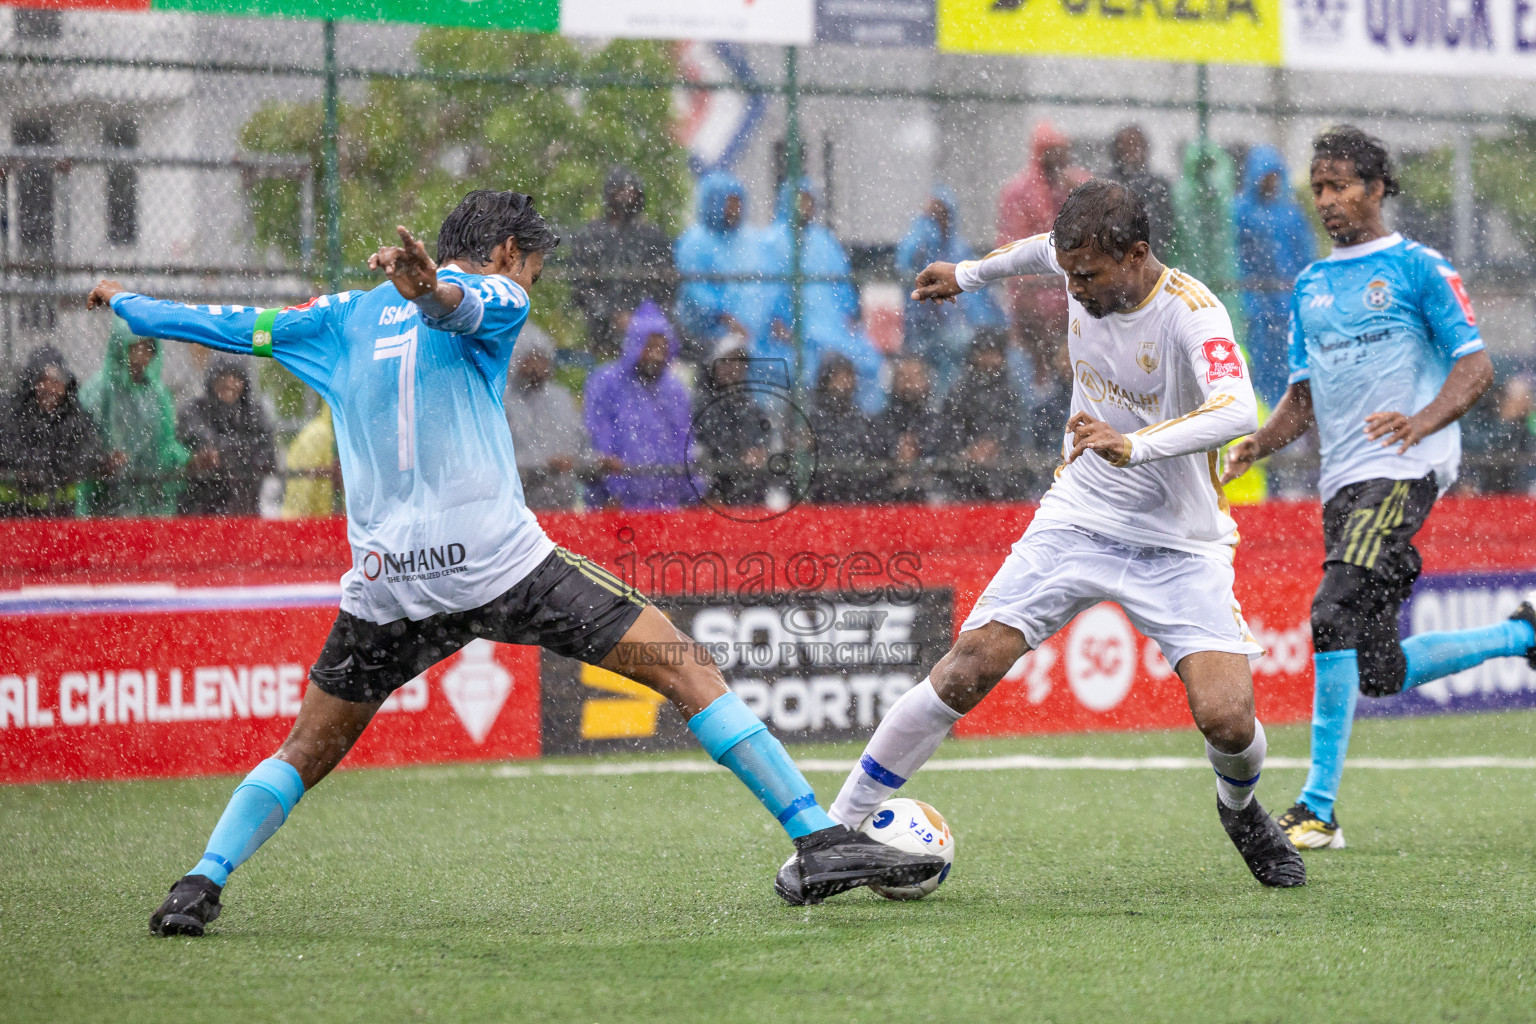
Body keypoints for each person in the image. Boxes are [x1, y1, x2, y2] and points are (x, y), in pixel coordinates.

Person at [88, 190, 939, 936]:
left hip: (390, 588)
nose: (529, 283)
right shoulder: (494, 292)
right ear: (507, 253)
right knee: (684, 666)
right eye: (531, 266)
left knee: (307, 747)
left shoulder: (339, 316)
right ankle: (818, 838)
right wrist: (434, 290)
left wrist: (131, 303)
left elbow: (227, 328)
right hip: (503, 568)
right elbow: (463, 305)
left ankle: (199, 883)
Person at [831, 180, 1306, 888]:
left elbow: (1237, 408)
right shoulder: (1073, 260)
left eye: (1088, 275)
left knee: (1231, 724)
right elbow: (1034, 253)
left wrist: (1135, 445)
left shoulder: (1192, 314)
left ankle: (1238, 808)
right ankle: (835, 831)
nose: (1073, 287)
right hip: (1080, 517)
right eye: (1070, 270)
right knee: (966, 667)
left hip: (1179, 545)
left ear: (1137, 254)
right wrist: (966, 274)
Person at [1222, 127, 1535, 851]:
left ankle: (1316, 808)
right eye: (1319, 188)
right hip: (1344, 482)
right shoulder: (1309, 286)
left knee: (1329, 609)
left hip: (1404, 471)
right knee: (1377, 667)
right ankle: (1522, 633)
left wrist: (1420, 423)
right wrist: (1257, 446)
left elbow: (1475, 368)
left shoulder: (1419, 269)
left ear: (1377, 187)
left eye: (1339, 186)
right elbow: (1302, 400)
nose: (1327, 201)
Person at [760, 178, 885, 414]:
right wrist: (779, 322)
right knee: (806, 369)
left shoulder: (824, 240)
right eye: (801, 201)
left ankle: (865, 427)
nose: (807, 207)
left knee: (868, 361)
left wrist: (849, 316)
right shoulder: (773, 241)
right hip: (797, 329)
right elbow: (768, 292)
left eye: (810, 202)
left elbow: (842, 284)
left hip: (833, 327)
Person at [995, 121, 1089, 387]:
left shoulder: (1077, 183)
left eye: (1062, 150)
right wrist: (1027, 289)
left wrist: (1076, 192)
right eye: (1051, 150)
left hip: (1072, 299)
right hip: (1034, 299)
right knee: (1035, 368)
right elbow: (1013, 244)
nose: (1059, 157)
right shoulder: (1018, 192)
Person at [584, 300, 697, 510]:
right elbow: (599, 436)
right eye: (650, 346)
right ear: (635, 345)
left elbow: (684, 440)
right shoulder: (606, 381)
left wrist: (693, 492)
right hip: (616, 506)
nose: (656, 354)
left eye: (662, 347)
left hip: (668, 506)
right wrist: (613, 488)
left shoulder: (674, 389)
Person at [895, 185, 1007, 394]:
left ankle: (955, 404)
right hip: (924, 331)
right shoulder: (921, 242)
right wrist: (925, 227)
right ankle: (948, 405)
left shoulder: (959, 247)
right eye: (935, 213)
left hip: (961, 327)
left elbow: (980, 293)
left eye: (943, 212)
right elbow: (905, 262)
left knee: (984, 349)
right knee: (955, 349)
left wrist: (997, 323)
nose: (940, 218)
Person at [77, 317, 189, 517]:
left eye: (147, 349)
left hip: (151, 503)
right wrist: (102, 461)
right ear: (120, 349)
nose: (141, 356)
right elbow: (83, 440)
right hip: (105, 502)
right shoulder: (99, 391)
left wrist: (186, 461)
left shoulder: (158, 394)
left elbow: (165, 444)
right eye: (134, 348)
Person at [1233, 145, 1317, 406]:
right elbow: (1236, 256)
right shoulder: (1241, 211)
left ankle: (1286, 423)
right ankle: (1262, 417)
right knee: (1256, 364)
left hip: (1287, 301)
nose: (1271, 182)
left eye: (1275, 176)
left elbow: (1304, 254)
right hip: (1256, 303)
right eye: (1265, 176)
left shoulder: (1291, 213)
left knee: (1288, 365)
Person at [568, 165, 677, 362]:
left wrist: (640, 319)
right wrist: (611, 314)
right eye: (621, 191)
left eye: (632, 192)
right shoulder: (590, 235)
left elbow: (667, 287)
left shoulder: (653, 236)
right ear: (609, 194)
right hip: (601, 330)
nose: (626, 197)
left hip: (647, 331)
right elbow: (581, 287)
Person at [673, 171, 769, 365]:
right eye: (730, 202)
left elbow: (767, 282)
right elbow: (696, 290)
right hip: (706, 336)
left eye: (738, 202)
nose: (735, 209)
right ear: (714, 202)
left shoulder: (749, 240)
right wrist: (724, 317)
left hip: (753, 336)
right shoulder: (695, 242)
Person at [0, 346, 107, 517]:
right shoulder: (10, 414)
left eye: (56, 381)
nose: (50, 388)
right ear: (31, 383)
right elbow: (9, 451)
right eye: (43, 380)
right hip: (11, 519)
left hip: (61, 521)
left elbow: (91, 452)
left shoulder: (75, 417)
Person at [504, 325, 598, 510]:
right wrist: (542, 466)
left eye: (542, 359)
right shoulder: (503, 403)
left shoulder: (561, 399)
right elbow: (499, 463)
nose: (537, 367)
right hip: (519, 509)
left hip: (562, 508)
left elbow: (580, 445)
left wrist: (593, 462)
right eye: (531, 359)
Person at [177, 356, 276, 516]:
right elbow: (195, 436)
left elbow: (266, 455)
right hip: (200, 511)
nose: (229, 383)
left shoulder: (254, 414)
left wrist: (224, 454)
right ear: (212, 380)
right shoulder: (195, 410)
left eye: (236, 377)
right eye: (223, 376)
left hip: (243, 511)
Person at [941, 330, 1026, 502]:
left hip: (1003, 475)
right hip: (965, 476)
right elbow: (949, 429)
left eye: (994, 353)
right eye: (984, 353)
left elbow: (1017, 429)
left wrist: (995, 444)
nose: (989, 359)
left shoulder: (1010, 392)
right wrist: (967, 450)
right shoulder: (959, 392)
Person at [691, 336, 771, 509]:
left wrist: (760, 450)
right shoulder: (698, 405)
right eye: (727, 361)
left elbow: (764, 436)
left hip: (748, 497)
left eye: (740, 361)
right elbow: (697, 449)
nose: (734, 368)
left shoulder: (751, 405)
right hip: (711, 496)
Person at [1169, 138, 1241, 323]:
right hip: (1192, 276)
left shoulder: (1221, 196)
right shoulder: (1183, 197)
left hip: (1220, 275)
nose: (1206, 173)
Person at [807, 353, 881, 505]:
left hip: (857, 497)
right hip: (820, 498)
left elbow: (872, 457)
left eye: (848, 377)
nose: (844, 384)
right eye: (838, 377)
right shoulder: (811, 419)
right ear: (826, 381)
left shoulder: (863, 420)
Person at [873, 354, 945, 504]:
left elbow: (946, 459)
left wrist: (920, 451)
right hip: (886, 503)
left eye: (915, 377)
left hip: (934, 503)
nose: (908, 384)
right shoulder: (879, 423)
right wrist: (895, 456)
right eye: (903, 377)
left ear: (927, 382)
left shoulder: (941, 422)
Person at [1109, 124, 1174, 255]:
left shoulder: (1158, 185)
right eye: (1126, 146)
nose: (1131, 151)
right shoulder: (1106, 184)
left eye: (1136, 145)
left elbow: (1165, 226)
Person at [280, 404, 339, 519]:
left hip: (328, 517)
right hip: (310, 519)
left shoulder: (348, 436)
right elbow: (301, 477)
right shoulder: (318, 434)